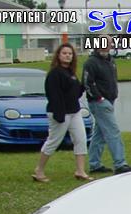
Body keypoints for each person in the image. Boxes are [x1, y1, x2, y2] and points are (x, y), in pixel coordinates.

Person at [33, 43, 92, 182]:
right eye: (64, 53)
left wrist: (83, 86)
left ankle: (80, 171)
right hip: (60, 113)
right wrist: (59, 114)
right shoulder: (55, 73)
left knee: (81, 139)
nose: (67, 56)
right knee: (54, 141)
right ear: (58, 55)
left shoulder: (71, 73)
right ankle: (39, 170)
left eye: (70, 54)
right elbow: (53, 95)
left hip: (75, 111)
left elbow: (75, 93)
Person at [82, 35, 131, 175]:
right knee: (113, 131)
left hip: (110, 100)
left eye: (110, 43)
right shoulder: (91, 62)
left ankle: (94, 164)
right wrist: (99, 98)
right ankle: (120, 163)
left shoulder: (111, 60)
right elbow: (87, 83)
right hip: (99, 102)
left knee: (99, 134)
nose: (108, 45)